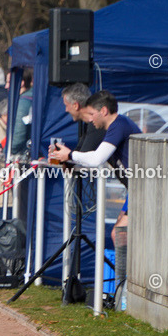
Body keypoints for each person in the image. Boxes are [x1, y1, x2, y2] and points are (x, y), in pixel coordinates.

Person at [52, 90, 141, 240]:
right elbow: (90, 158)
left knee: (120, 235)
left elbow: (95, 159)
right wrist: (66, 158)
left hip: (143, 189)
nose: (90, 119)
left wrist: (69, 155)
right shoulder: (116, 126)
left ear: (104, 111)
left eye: (92, 114)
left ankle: (131, 264)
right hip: (135, 189)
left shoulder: (118, 125)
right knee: (120, 233)